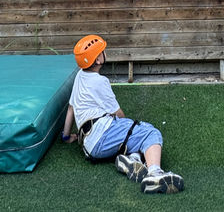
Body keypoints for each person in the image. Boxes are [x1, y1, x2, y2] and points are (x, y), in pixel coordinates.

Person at [61, 34, 185, 195]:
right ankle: (155, 174)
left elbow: (71, 108)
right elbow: (118, 114)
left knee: (138, 132)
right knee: (150, 132)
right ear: (98, 60)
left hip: (88, 144)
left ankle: (133, 160)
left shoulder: (79, 76)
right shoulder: (100, 82)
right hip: (102, 136)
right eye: (102, 51)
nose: (105, 52)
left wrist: (66, 136)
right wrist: (130, 128)